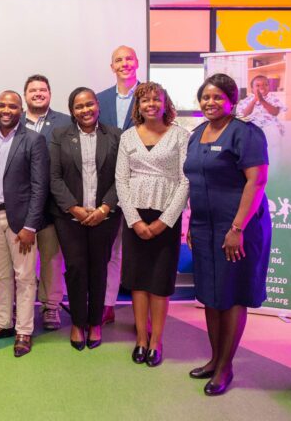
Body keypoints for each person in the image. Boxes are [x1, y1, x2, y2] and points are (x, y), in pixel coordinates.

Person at [184, 73, 270, 396]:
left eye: (217, 97)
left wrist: (237, 228)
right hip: (204, 227)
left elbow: (256, 182)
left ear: (232, 101)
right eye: (205, 97)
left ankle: (225, 367)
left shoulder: (245, 134)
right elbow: (194, 181)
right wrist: (192, 223)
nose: (210, 102)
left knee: (231, 294)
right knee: (209, 293)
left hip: (238, 226)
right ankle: (214, 358)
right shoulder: (196, 135)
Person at [115, 82, 189, 367]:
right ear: (138, 106)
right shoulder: (128, 137)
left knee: (159, 284)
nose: (150, 105)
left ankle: (156, 341)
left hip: (166, 218)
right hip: (134, 217)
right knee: (137, 282)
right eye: (144, 101)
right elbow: (121, 179)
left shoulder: (180, 135)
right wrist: (134, 220)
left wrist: (164, 221)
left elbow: (185, 180)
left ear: (164, 102)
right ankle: (141, 340)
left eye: (155, 99)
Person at [0, 91, 49, 357]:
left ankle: (24, 331)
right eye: (1, 104)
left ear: (21, 109)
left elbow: (40, 187)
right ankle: (3, 323)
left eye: (12, 106)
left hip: (20, 222)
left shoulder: (33, 140)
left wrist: (30, 227)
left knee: (25, 277)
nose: (6, 110)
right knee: (0, 275)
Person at [50, 87, 122, 351]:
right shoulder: (60, 136)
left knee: (99, 268)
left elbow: (121, 177)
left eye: (89, 104)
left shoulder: (115, 135)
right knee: (77, 269)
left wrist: (104, 208)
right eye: (79, 107)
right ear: (72, 111)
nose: (85, 110)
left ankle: (95, 323)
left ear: (97, 106)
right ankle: (78, 323)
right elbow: (54, 178)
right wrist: (74, 208)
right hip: (70, 218)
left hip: (105, 216)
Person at [96, 45, 142, 324]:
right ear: (111, 66)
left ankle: (143, 308)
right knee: (110, 249)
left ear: (137, 63)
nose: (124, 63)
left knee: (139, 249)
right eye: (118, 60)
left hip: (142, 183)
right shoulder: (99, 99)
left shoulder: (150, 95)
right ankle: (107, 303)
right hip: (108, 185)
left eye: (129, 59)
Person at [23, 74, 70, 330]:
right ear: (25, 95)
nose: (38, 93)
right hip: (21, 205)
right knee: (22, 261)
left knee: (51, 258)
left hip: (52, 205)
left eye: (42, 89)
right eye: (33, 90)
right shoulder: (14, 122)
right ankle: (23, 305)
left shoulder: (64, 122)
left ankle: (51, 307)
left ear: (50, 94)